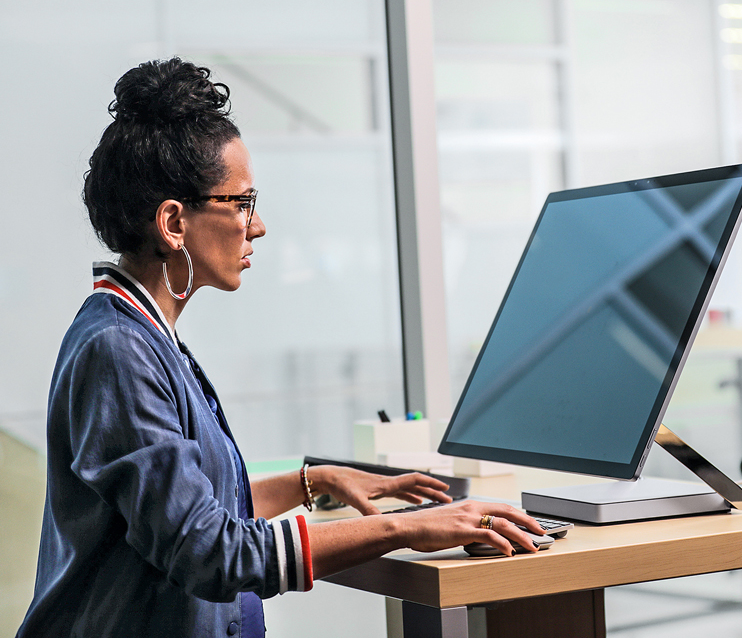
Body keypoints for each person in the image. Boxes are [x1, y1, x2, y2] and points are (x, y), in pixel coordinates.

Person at [17, 58, 543, 637]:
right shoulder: (117, 350)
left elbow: (191, 512)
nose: (257, 225)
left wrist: (313, 481)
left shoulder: (140, 336)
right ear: (173, 223)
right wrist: (409, 528)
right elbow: (207, 551)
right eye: (241, 203)